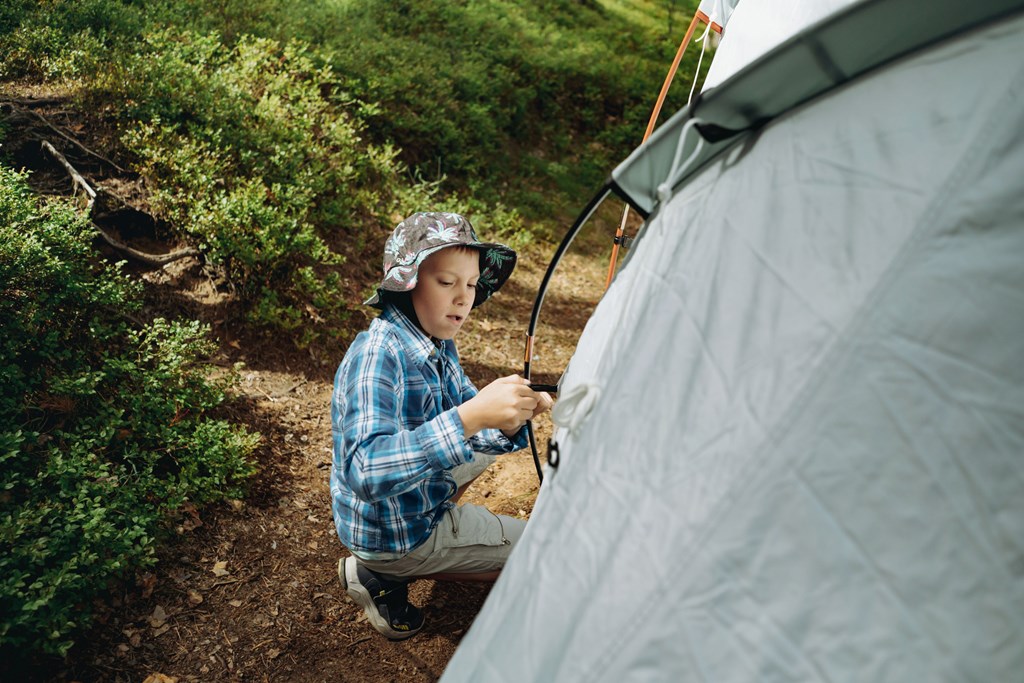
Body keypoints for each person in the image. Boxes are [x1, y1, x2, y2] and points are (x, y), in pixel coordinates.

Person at [330, 211, 553, 640]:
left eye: (471, 285)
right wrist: (472, 416)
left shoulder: (435, 341)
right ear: (408, 283)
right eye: (447, 283)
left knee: (478, 442)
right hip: (392, 533)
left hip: (409, 499)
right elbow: (364, 470)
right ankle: (382, 574)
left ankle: (428, 534)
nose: (463, 298)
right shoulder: (377, 355)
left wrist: (513, 415)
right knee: (541, 550)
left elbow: (473, 419)